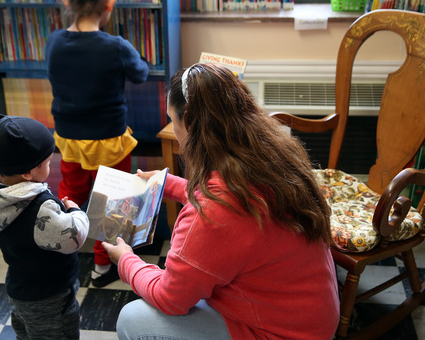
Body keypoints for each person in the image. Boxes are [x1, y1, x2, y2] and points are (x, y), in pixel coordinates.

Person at [102, 63, 340, 340]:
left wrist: (126, 261)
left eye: (172, 120)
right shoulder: (272, 156)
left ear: (188, 121)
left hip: (280, 333)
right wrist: (170, 184)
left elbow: (170, 298)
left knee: (132, 320)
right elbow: (235, 203)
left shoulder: (213, 212)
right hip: (310, 316)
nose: (174, 131)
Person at [45, 0, 150, 287]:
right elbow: (141, 73)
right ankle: (103, 266)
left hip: (70, 139)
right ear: (110, 3)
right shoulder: (115, 46)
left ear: (66, 0)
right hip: (109, 140)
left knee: (71, 192)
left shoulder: (54, 42)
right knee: (113, 201)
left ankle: (65, 252)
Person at [0, 113, 89, 340]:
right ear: (27, 173)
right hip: (50, 296)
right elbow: (73, 238)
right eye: (48, 162)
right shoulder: (38, 208)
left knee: (26, 333)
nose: (51, 165)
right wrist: (76, 212)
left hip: (19, 287)